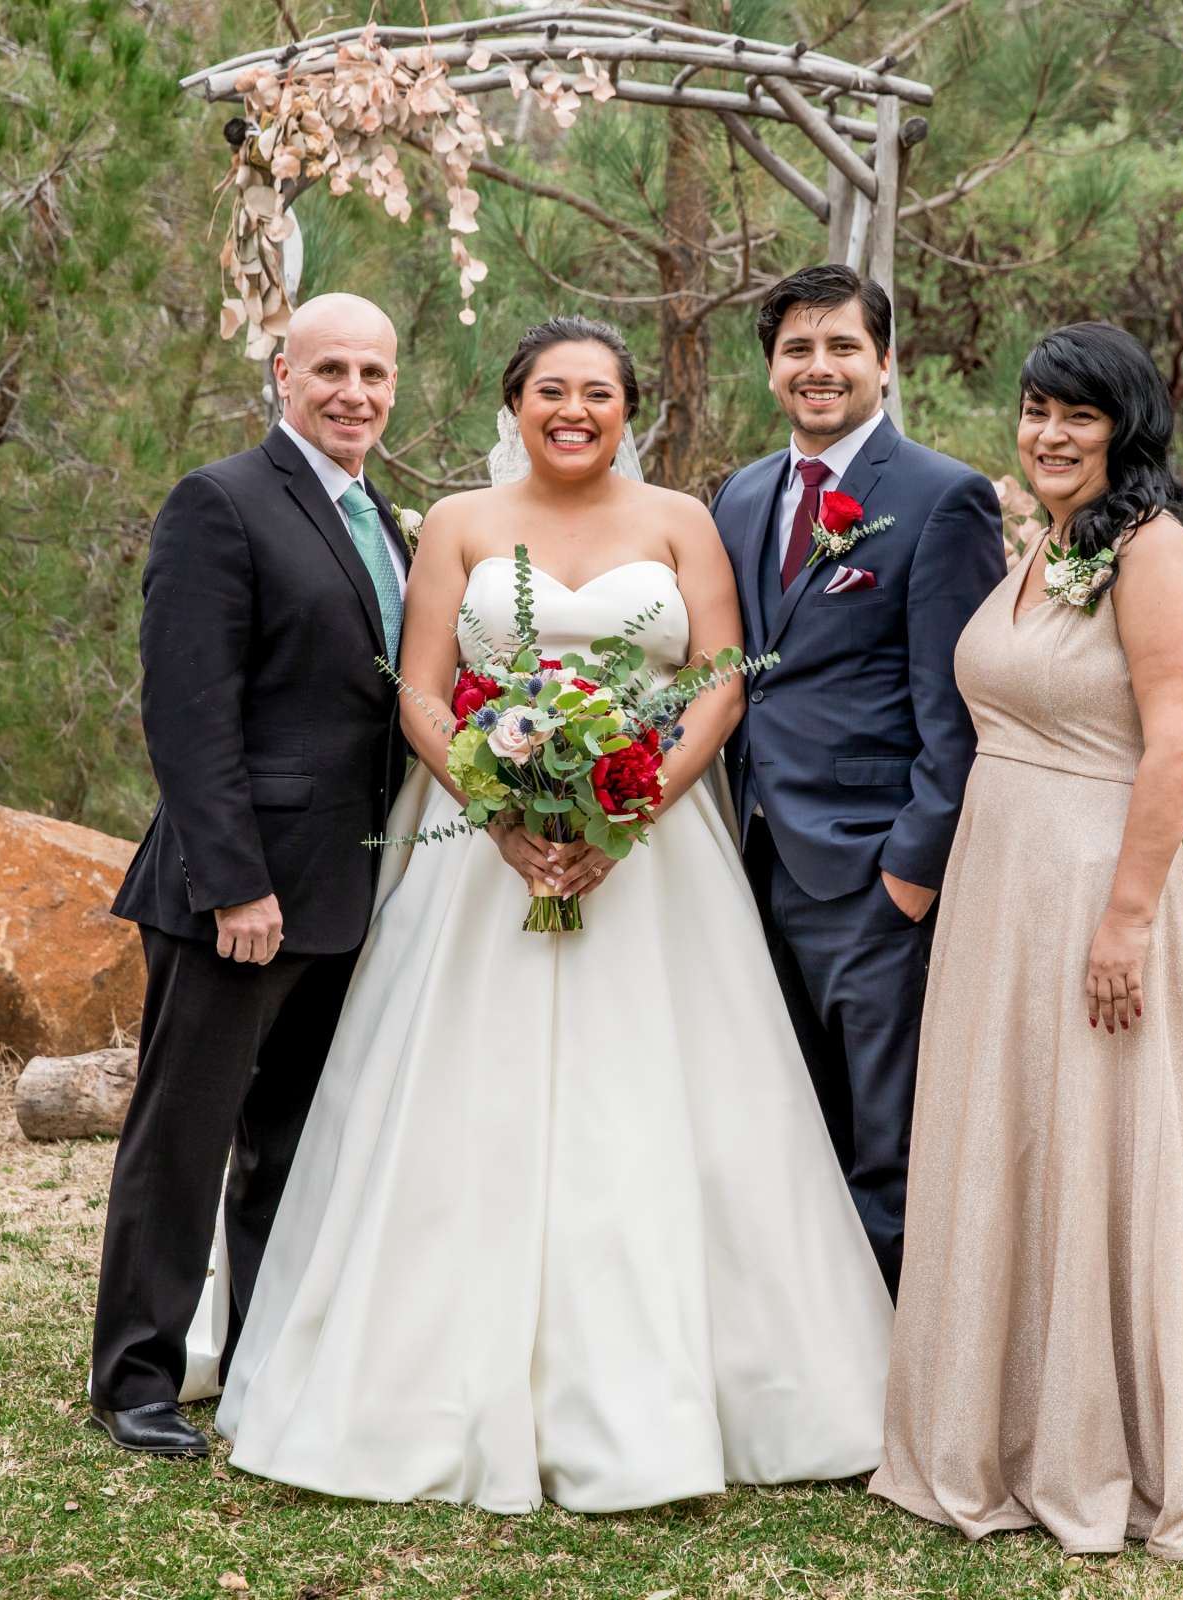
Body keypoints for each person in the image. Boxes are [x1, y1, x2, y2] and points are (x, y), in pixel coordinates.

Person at [212, 317, 893, 1513]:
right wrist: (501, 810)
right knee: (457, 1103)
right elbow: (420, 686)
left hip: (655, 855)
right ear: (513, 403)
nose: (573, 411)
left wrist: (631, 804)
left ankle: (707, 1389)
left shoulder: (683, 521)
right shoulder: (461, 525)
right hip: (482, 860)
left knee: (666, 1103)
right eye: (549, 392)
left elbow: (725, 675)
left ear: (633, 409)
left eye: (598, 393)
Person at [869, 321, 1183, 1558]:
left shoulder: (1151, 548)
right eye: (1034, 411)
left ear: (1125, 427)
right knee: (1006, 1138)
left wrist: (1127, 917)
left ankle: (1108, 1439)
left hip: (1089, 885)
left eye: (1077, 415)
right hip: (999, 881)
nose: (1050, 435)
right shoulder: (1047, 543)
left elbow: (1176, 740)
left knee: (1096, 1144)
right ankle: (996, 1427)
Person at [89, 294, 411, 1458]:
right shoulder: (219, 502)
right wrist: (235, 882)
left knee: (289, 1139)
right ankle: (134, 1377)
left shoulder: (381, 515)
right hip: (237, 892)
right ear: (284, 374)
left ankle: (266, 1352)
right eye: (330, 369)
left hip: (343, 890)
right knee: (184, 1134)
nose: (354, 393)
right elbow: (186, 711)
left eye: (374, 372)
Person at [709, 265, 1006, 1295]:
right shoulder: (743, 496)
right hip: (753, 861)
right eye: (798, 348)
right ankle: (814, 1356)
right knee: (789, 1122)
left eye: (842, 347)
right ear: (772, 369)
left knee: (888, 1141)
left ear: (885, 361)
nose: (819, 367)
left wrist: (911, 876)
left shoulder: (941, 497)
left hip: (875, 873)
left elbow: (959, 710)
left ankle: (897, 1381)